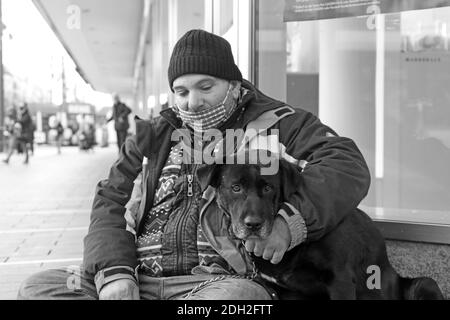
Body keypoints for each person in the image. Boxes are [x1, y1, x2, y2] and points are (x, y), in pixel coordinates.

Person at [18, 29, 370, 300]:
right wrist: (114, 271)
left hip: (217, 283)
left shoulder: (279, 123)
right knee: (41, 288)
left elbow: (345, 164)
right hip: (138, 277)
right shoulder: (152, 136)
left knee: (237, 300)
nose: (194, 102)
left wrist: (289, 222)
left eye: (206, 87)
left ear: (233, 85)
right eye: (182, 91)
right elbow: (110, 200)